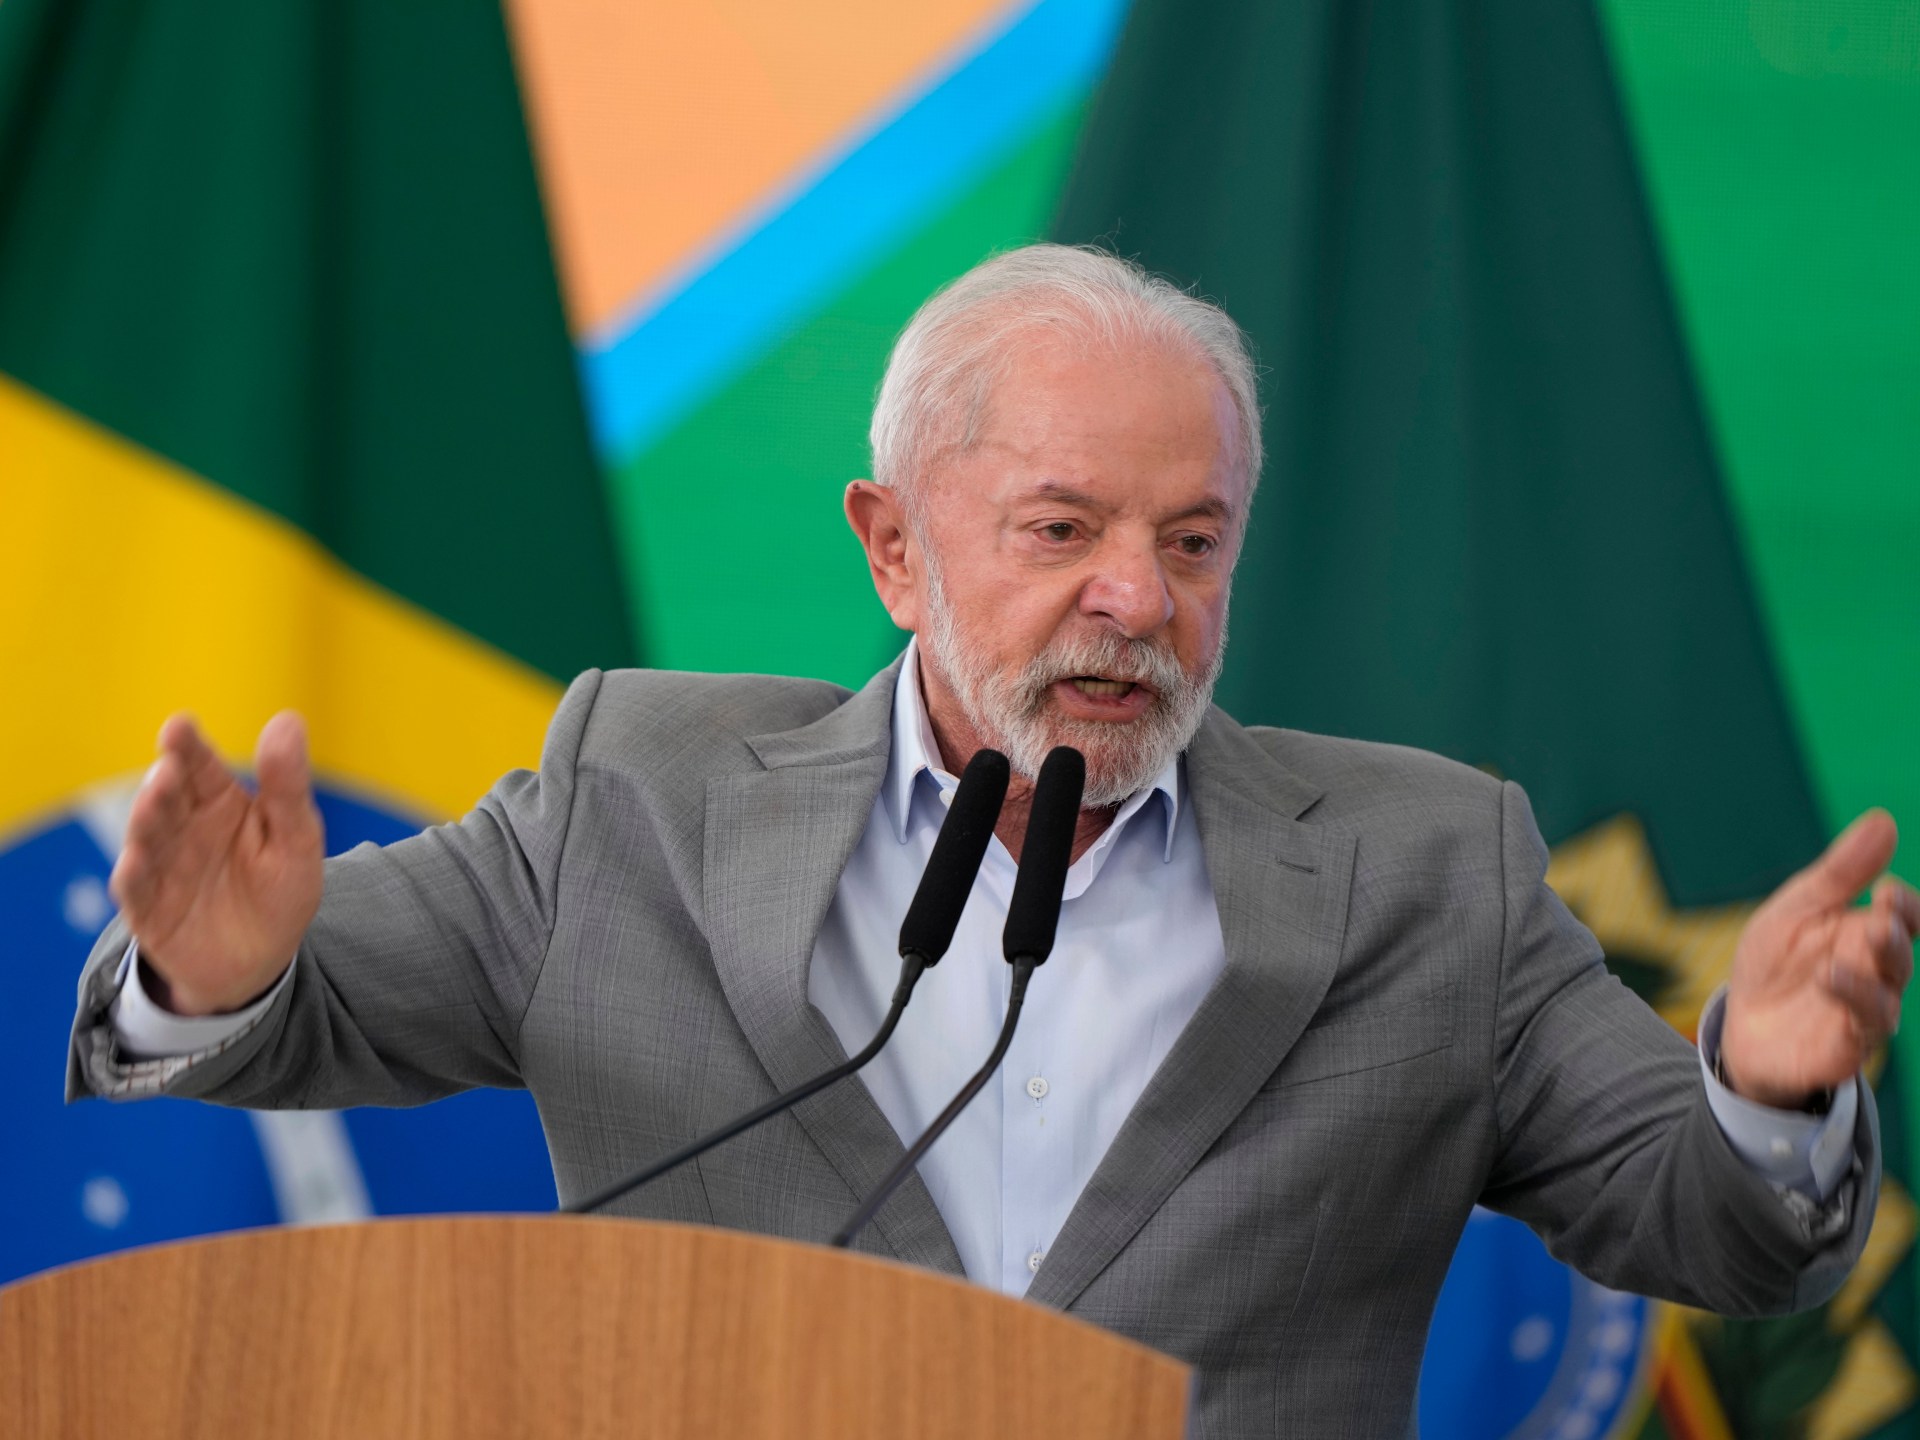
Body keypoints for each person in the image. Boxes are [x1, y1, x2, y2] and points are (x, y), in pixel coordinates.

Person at [69, 245, 1917, 1436]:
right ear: (894, 549)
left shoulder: (1431, 869)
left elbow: (1721, 1229)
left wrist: (1767, 1087)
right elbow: (282, 1008)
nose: (1138, 598)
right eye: (1062, 531)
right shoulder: (635, 795)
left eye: (1192, 542)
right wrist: (208, 968)